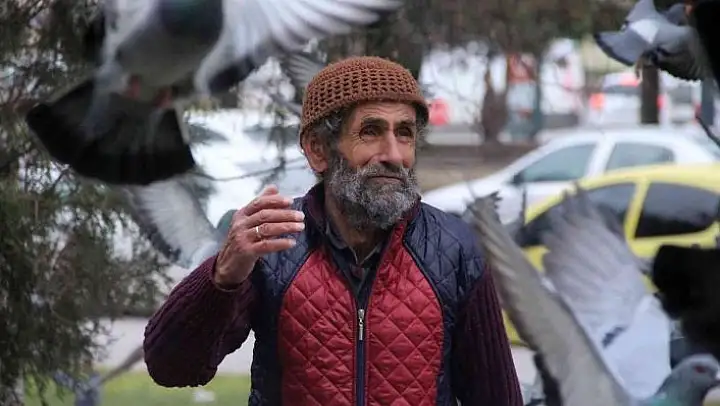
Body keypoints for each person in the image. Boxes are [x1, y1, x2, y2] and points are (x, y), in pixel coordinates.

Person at [143, 56, 522, 405]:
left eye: (405, 133)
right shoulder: (275, 244)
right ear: (318, 150)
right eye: (371, 131)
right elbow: (171, 368)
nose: (393, 154)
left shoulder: (454, 250)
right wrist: (222, 277)